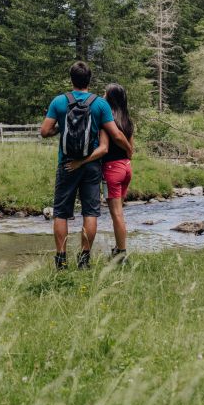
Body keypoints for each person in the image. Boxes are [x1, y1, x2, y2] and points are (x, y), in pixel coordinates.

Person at [40, 61, 134, 269]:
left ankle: (61, 260)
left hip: (66, 164)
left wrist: (60, 127)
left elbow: (44, 131)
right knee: (90, 213)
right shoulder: (100, 104)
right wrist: (129, 150)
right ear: (89, 80)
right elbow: (116, 134)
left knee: (61, 213)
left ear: (71, 79)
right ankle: (84, 260)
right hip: (92, 166)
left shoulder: (59, 101)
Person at [101, 83, 134, 261]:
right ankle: (118, 248)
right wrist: (129, 152)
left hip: (112, 169)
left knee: (116, 213)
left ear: (110, 97)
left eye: (105, 93)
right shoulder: (127, 120)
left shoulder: (108, 120)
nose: (103, 95)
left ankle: (121, 254)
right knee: (119, 211)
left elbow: (116, 139)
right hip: (126, 167)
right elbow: (131, 150)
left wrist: (128, 149)